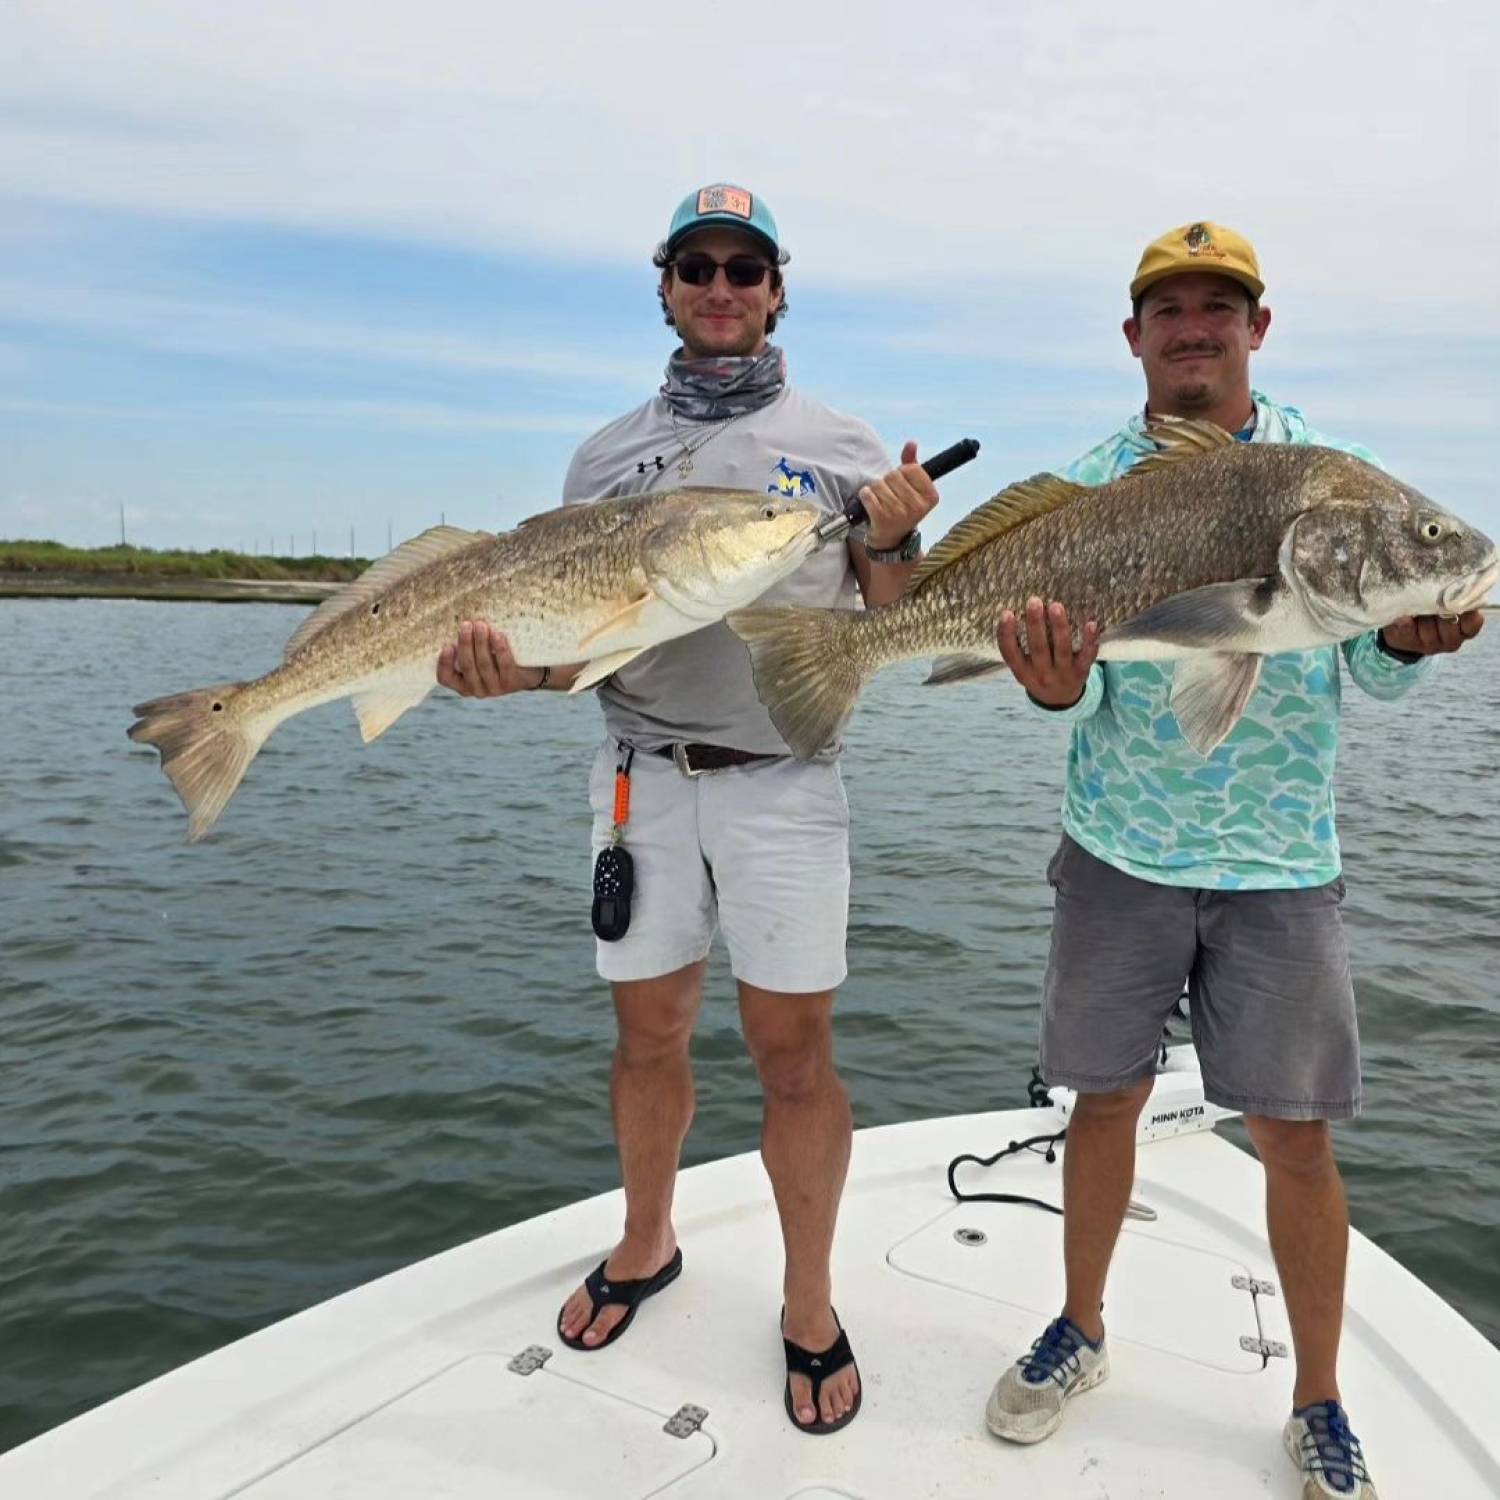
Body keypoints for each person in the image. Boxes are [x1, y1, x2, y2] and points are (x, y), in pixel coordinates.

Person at [984, 221, 1484, 1497]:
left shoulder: (1333, 484)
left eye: (1221, 307)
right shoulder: (1093, 483)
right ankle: (1079, 1332)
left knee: (1297, 1135)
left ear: (1258, 330)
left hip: (1279, 864)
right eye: (1170, 308)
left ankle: (1319, 1401)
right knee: (1102, 1102)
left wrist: (1413, 635)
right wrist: (1046, 688)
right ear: (1135, 335)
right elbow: (1079, 690)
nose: (1194, 327)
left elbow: (1366, 669)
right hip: (1117, 852)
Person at [436, 183, 940, 1434]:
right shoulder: (604, 457)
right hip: (639, 779)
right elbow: (570, 652)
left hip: (782, 779)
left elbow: (890, 619)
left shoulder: (845, 444)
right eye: (699, 268)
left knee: (794, 1054)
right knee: (649, 1035)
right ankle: (647, 1240)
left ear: (779, 292)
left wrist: (893, 541)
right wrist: (497, 672)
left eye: (746, 269)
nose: (723, 289)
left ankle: (809, 1305)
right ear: (664, 286)